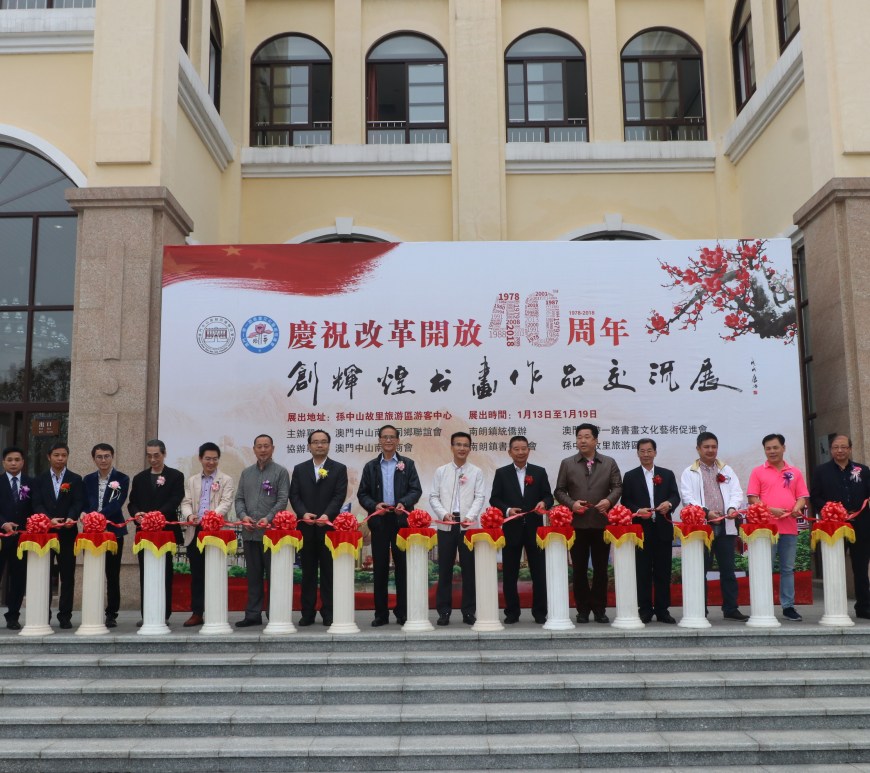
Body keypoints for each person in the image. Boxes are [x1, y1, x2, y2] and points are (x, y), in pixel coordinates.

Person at [554, 423, 622, 624]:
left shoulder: (609, 463)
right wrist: (572, 504)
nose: (582, 441)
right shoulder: (568, 463)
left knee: (601, 569)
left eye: (586, 437)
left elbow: (617, 487)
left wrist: (609, 501)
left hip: (601, 524)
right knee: (579, 569)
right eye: (579, 437)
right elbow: (559, 490)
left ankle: (600, 609)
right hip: (578, 524)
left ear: (596, 440)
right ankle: (582, 610)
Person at [679, 431, 748, 621]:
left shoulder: (726, 470)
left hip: (726, 524)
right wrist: (706, 512)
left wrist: (732, 507)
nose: (710, 450)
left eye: (714, 447)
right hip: (703, 527)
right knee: (700, 569)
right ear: (698, 449)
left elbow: (736, 492)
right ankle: (700, 609)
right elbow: (687, 498)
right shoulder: (689, 472)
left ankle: (730, 608)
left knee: (728, 569)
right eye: (706, 447)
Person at [358, 425, 422, 627]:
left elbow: (416, 490)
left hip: (401, 522)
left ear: (397, 440)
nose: (388, 440)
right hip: (379, 522)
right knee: (380, 568)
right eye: (384, 437)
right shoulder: (370, 466)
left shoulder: (407, 464)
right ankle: (381, 614)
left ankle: (402, 612)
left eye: (392, 437)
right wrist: (374, 505)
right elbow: (362, 494)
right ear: (379, 440)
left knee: (402, 568)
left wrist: (404, 502)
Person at [489, 435, 553, 624]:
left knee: (539, 573)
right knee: (510, 573)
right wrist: (507, 510)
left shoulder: (539, 472)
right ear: (509, 452)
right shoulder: (502, 473)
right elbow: (494, 499)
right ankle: (512, 612)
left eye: (523, 448)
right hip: (512, 528)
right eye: (516, 449)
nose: (520, 452)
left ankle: (540, 612)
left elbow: (548, 496)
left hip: (535, 529)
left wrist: (544, 503)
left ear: (529, 450)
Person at [746, 433, 809, 622]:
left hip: (789, 527)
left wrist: (797, 508)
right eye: (768, 448)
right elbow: (752, 498)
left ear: (783, 448)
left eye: (775, 447)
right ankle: (763, 605)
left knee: (787, 569)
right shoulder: (758, 471)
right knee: (764, 567)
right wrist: (769, 509)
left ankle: (788, 606)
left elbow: (802, 497)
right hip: (766, 529)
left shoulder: (795, 472)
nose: (772, 451)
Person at [289, 430, 348, 627]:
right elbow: (294, 495)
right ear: (309, 446)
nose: (319, 445)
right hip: (306, 529)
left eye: (323, 442)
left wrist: (328, 515)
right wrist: (303, 513)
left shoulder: (338, 469)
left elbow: (339, 496)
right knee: (308, 573)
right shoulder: (300, 469)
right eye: (315, 442)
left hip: (328, 529)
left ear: (329, 445)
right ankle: (307, 613)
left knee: (329, 573)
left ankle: (329, 612)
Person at [620, 438, 681, 624]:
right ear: (637, 453)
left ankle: (663, 610)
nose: (646, 454)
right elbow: (625, 501)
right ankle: (645, 609)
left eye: (649, 451)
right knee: (643, 571)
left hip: (662, 529)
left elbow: (675, 496)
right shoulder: (630, 476)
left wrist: (668, 504)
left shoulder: (666, 474)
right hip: (642, 531)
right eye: (642, 451)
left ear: (655, 452)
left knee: (663, 571)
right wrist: (638, 511)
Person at [810, 434, 870, 619]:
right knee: (834, 566)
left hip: (861, 524)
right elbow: (815, 496)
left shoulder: (863, 470)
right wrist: (830, 509)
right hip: (834, 525)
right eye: (836, 447)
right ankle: (835, 607)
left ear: (850, 449)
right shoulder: (821, 471)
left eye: (844, 447)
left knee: (861, 567)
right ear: (831, 450)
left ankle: (864, 607)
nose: (840, 450)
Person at [429, 431, 486, 626]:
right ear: (452, 447)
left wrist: (470, 516)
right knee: (444, 569)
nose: (462, 448)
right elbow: (433, 496)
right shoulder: (441, 471)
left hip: (468, 526)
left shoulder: (476, 472)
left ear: (470, 448)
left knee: (469, 570)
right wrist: (443, 513)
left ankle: (469, 611)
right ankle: (444, 611)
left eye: (465, 445)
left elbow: (480, 497)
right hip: (446, 524)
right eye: (458, 444)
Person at [234, 434, 289, 627]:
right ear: (254, 449)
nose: (263, 450)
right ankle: (253, 615)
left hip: (271, 535)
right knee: (253, 577)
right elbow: (239, 499)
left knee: (274, 576)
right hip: (250, 533)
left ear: (273, 448)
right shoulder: (246, 473)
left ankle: (275, 614)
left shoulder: (280, 472)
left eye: (266, 446)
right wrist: (243, 516)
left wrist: (269, 518)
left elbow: (282, 499)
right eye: (259, 446)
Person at [128, 439, 185, 625]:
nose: (153, 459)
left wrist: (156, 516)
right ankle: (147, 614)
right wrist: (137, 514)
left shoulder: (175, 476)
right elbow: (132, 503)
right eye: (149, 456)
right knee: (146, 573)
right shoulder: (140, 478)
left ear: (164, 454)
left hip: (165, 533)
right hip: (144, 534)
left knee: (165, 573)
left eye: (156, 455)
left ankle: (163, 614)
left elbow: (175, 500)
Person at [179, 442, 235, 627]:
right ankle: (197, 613)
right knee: (197, 574)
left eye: (215, 459)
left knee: (215, 572)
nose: (211, 462)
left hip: (215, 531)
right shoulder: (192, 480)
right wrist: (189, 515)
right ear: (200, 459)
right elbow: (186, 502)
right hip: (195, 530)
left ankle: (215, 611)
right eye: (207, 459)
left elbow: (226, 502)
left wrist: (211, 517)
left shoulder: (226, 479)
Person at [31, 441, 83, 629]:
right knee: (43, 573)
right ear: (49, 457)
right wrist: (48, 519)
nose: (60, 458)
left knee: (67, 575)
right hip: (46, 533)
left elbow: (78, 502)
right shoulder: (39, 480)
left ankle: (65, 615)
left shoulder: (75, 479)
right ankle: (43, 614)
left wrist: (71, 517)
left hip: (68, 533)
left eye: (64, 455)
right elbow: (36, 503)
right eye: (56, 455)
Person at [81, 443, 129, 628]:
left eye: (107, 456)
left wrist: (97, 517)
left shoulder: (122, 478)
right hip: (91, 533)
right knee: (92, 572)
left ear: (112, 457)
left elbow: (117, 503)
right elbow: (84, 503)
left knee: (112, 574)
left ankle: (111, 614)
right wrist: (86, 514)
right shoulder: (87, 479)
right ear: (94, 459)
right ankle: (92, 610)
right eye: (99, 457)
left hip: (113, 532)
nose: (103, 460)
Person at [0, 446, 34, 630]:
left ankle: (13, 616)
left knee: (18, 579)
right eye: (10, 460)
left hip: (21, 539)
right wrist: (3, 523)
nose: (13, 463)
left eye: (17, 460)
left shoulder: (31, 482)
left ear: (23, 462)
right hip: (1, 536)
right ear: (3, 462)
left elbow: (35, 507)